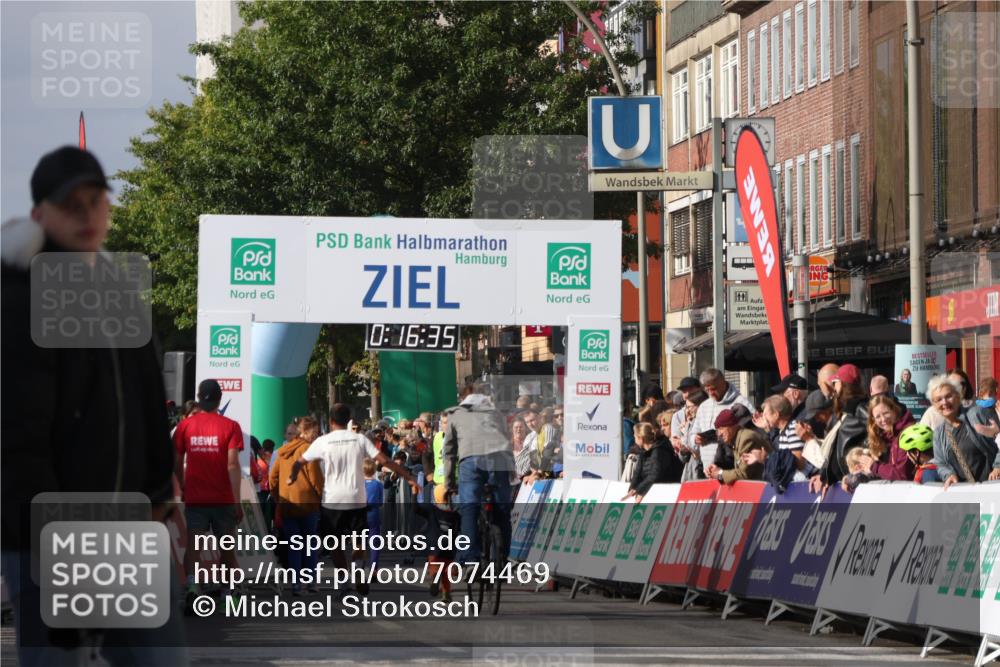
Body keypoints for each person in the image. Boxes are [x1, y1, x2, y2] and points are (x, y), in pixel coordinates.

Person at [2, 146, 183, 665]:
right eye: (70, 204)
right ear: (39, 214)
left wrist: (160, 499)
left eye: (96, 200)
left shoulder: (116, 288)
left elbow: (149, 403)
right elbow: (16, 435)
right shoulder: (19, 297)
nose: (87, 215)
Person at [288, 404, 419, 595]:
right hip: (356, 497)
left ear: (331, 421)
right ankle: (358, 568)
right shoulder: (359, 439)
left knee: (335, 544)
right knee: (359, 541)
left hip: (332, 499)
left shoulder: (323, 441)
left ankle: (344, 583)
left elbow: (300, 462)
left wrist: (292, 476)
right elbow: (385, 461)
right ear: (348, 419)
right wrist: (408, 477)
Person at [174, 379, 245, 611]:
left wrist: (182, 485)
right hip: (223, 498)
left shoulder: (185, 426)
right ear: (219, 398)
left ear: (199, 397)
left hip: (195, 495)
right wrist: (236, 501)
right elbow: (233, 465)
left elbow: (176, 460)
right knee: (227, 548)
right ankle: (227, 595)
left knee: (193, 545)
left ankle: (193, 588)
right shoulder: (231, 426)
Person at [442, 384, 515, 565]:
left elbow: (449, 451)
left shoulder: (456, 414)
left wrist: (449, 483)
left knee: (469, 509)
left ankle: (470, 559)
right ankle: (503, 561)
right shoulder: (495, 413)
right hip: (499, 460)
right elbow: (506, 441)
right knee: (502, 512)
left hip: (471, 462)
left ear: (463, 399)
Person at [269, 417, 323, 595]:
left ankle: (296, 584)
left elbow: (272, 478)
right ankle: (311, 581)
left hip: (287, 504)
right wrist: (321, 496)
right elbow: (315, 478)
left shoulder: (281, 451)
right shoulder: (308, 450)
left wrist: (279, 496)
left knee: (294, 545)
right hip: (307, 504)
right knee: (309, 544)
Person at [927, 375, 1000, 488]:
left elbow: (999, 438)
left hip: (991, 487)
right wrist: (948, 475)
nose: (944, 402)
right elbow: (941, 463)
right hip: (964, 493)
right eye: (939, 399)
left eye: (948, 396)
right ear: (934, 404)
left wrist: (997, 466)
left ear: (958, 396)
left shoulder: (977, 414)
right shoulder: (938, 433)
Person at [688, 369, 755, 479]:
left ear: (723, 383)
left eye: (713, 389)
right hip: (708, 469)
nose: (710, 393)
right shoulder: (704, 406)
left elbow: (751, 431)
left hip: (732, 470)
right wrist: (695, 439)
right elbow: (692, 434)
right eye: (707, 389)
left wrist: (720, 436)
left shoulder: (741, 403)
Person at [705, 408, 771, 484]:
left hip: (765, 489)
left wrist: (720, 473)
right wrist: (716, 470)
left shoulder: (746, 439)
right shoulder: (736, 439)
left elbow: (744, 474)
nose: (719, 434)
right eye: (717, 430)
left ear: (733, 426)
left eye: (721, 428)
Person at [858, 395, 916, 481]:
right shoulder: (880, 437)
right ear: (873, 420)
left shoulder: (907, 434)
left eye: (886, 413)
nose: (883, 419)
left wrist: (875, 466)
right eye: (878, 416)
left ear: (894, 411)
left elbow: (902, 475)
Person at [624, 423, 674, 503]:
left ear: (641, 439)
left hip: (664, 492)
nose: (634, 439)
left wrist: (640, 490)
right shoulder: (642, 451)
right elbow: (638, 472)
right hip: (651, 488)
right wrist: (633, 488)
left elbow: (655, 474)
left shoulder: (659, 451)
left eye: (635, 437)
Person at [251, 438, 276, 531]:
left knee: (258, 513)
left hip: (257, 488)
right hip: (264, 490)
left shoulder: (258, 461)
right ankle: (266, 532)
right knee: (266, 514)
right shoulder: (269, 458)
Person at [363, 458, 383, 568]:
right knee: (374, 543)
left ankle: (358, 567)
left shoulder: (359, 483)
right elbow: (380, 502)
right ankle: (374, 568)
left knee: (360, 543)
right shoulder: (378, 484)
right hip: (374, 514)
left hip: (361, 514)